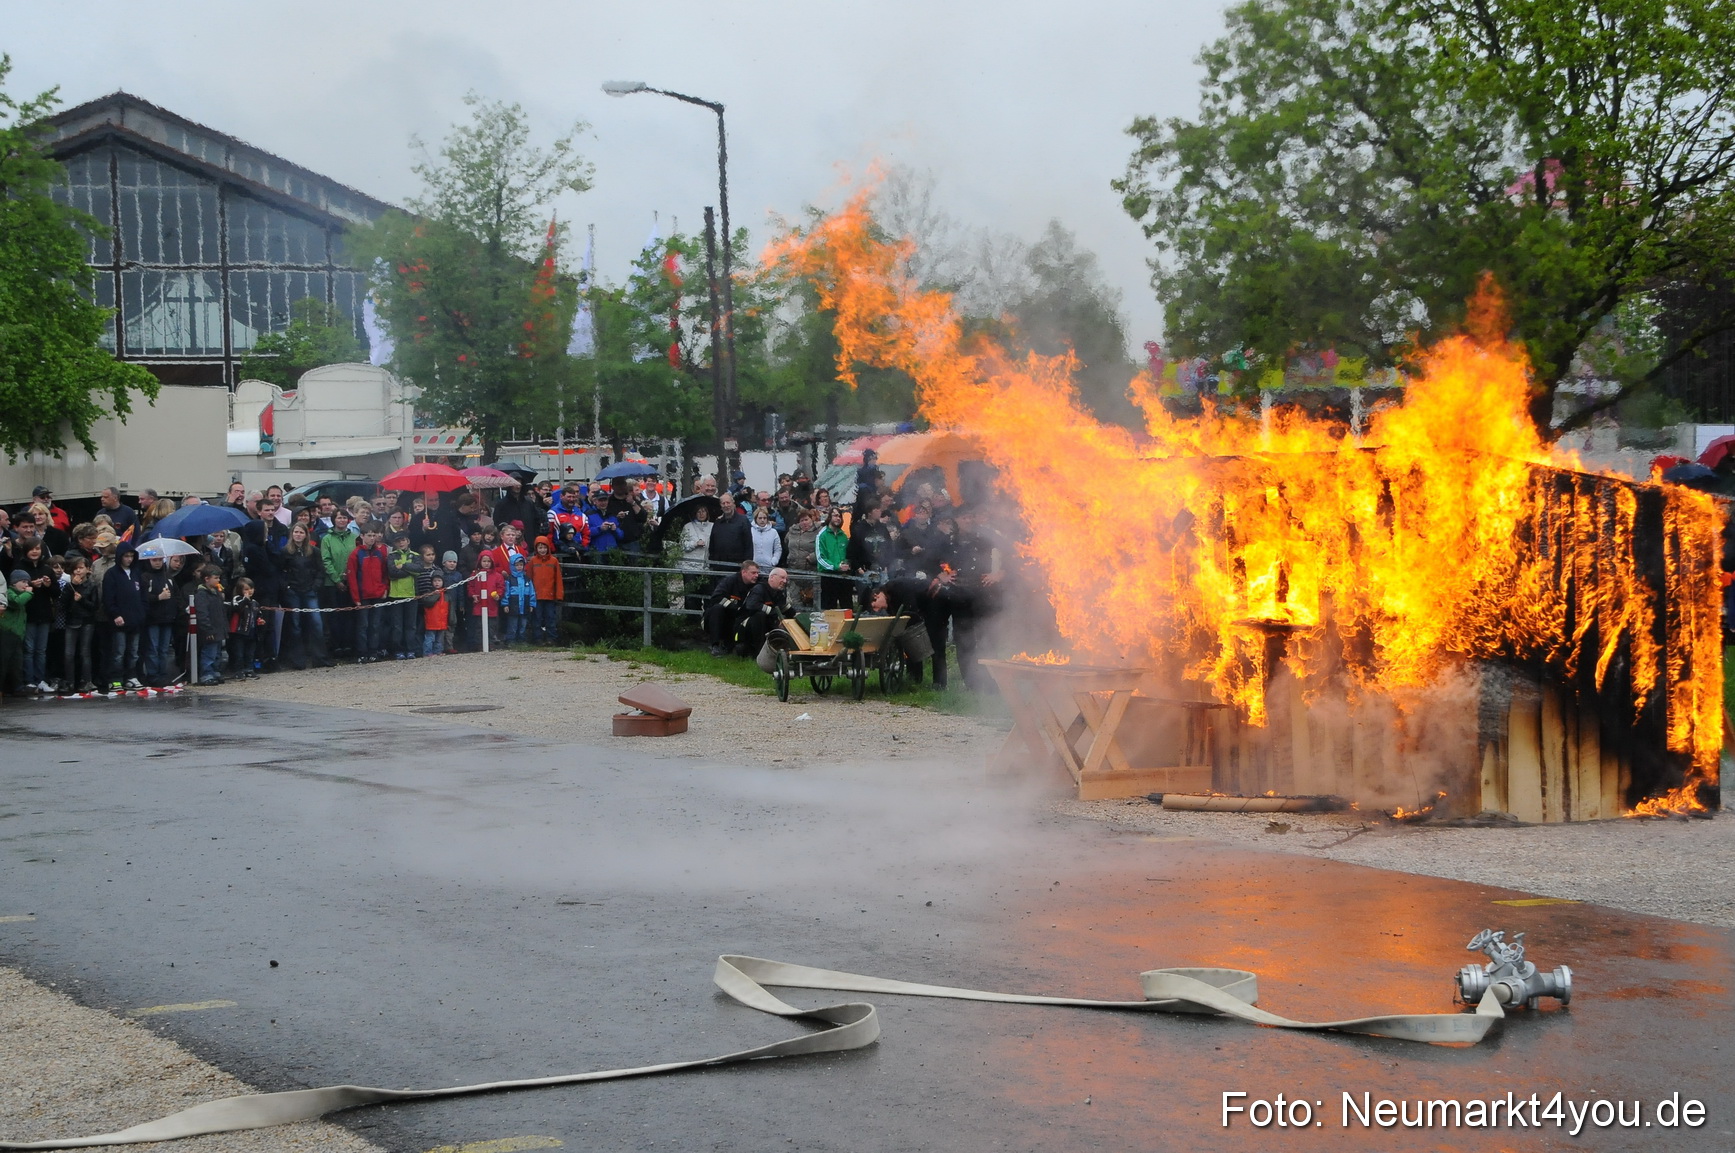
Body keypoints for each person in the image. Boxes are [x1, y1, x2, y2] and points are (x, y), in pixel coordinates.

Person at [279, 524, 332, 669]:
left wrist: (315, 586)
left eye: (301, 532)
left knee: (316, 624)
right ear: (292, 534)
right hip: (293, 592)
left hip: (310, 591)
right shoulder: (285, 551)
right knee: (295, 626)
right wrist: (287, 587)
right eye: (295, 532)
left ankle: (320, 658)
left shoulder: (313, 551)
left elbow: (320, 570)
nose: (298, 535)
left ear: (305, 535)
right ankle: (297, 661)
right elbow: (281, 572)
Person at [101, 543, 145, 690]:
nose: (129, 559)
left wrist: (142, 613)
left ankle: (131, 677)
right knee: (118, 652)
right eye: (126, 556)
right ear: (120, 557)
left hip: (135, 619)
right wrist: (115, 614)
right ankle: (115, 678)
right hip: (119, 620)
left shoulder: (136, 573)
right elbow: (108, 598)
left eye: (131, 556)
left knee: (134, 652)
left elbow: (142, 595)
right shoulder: (111, 574)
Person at [346, 528, 390, 663]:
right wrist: (356, 598)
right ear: (362, 536)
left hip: (377, 594)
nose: (372, 538)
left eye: (374, 535)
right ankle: (362, 652)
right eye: (369, 535)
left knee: (375, 625)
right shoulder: (356, 554)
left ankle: (373, 651)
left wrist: (385, 589)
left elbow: (384, 573)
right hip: (363, 595)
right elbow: (352, 577)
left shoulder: (379, 553)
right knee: (363, 625)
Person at [320, 508, 358, 655]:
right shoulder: (327, 539)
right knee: (335, 617)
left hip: (351, 581)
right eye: (339, 517)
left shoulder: (354, 537)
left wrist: (349, 577)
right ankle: (336, 646)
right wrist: (337, 579)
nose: (341, 520)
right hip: (332, 583)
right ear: (334, 520)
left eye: (344, 518)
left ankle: (348, 644)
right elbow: (326, 560)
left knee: (349, 616)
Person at [59, 556, 99, 693]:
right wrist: (73, 588)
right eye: (75, 568)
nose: (78, 571)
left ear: (87, 570)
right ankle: (69, 681)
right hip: (71, 622)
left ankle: (86, 680)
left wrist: (81, 600)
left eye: (81, 568)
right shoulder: (69, 585)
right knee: (68, 653)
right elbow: (62, 603)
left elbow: (94, 606)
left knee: (84, 652)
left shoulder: (92, 585)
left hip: (86, 622)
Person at [704, 559, 760, 656]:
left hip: (738, 620)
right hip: (720, 617)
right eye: (753, 573)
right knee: (717, 609)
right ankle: (715, 645)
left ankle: (736, 646)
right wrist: (734, 607)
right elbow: (716, 597)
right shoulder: (730, 581)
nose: (756, 576)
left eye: (757, 573)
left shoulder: (757, 585)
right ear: (744, 572)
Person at [139, 555, 180, 687]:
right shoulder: (145, 577)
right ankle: (153, 674)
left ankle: (163, 674)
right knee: (153, 648)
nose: (157, 563)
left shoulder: (167, 576)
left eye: (159, 560)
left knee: (164, 649)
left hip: (167, 618)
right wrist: (158, 597)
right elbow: (143, 597)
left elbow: (176, 595)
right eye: (154, 560)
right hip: (152, 619)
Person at [737, 566, 793, 658]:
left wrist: (797, 616)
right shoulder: (759, 589)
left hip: (768, 624)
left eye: (786, 579)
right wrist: (774, 613)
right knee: (760, 616)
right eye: (782, 578)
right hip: (747, 626)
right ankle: (758, 654)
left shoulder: (779, 593)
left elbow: (786, 609)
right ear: (772, 577)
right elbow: (752, 605)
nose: (785, 581)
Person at [386, 531, 420, 659]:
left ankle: (410, 649)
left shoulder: (415, 555)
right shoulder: (392, 556)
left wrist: (404, 566)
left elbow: (419, 570)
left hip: (412, 594)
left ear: (408, 541)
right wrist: (409, 571)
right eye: (398, 541)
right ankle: (397, 650)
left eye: (403, 540)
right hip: (396, 594)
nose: (401, 543)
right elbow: (392, 572)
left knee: (410, 625)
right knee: (397, 626)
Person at [193, 565, 228, 685]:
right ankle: (207, 674)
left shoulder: (216, 593)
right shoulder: (202, 594)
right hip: (210, 629)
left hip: (218, 628)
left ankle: (215, 672)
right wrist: (208, 630)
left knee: (217, 653)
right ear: (207, 579)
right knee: (209, 653)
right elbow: (202, 613)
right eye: (216, 578)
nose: (218, 580)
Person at [1, 569, 33, 696]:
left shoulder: (21, 593)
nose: (26, 585)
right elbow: (16, 602)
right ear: (14, 583)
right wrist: (29, 594)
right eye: (23, 581)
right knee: (4, 661)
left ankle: (17, 687)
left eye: (28, 582)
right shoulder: (9, 592)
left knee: (17, 662)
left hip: (18, 634)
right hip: (6, 632)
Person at [526, 538, 564, 644]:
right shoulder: (533, 561)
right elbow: (529, 578)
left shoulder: (553, 561)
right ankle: (537, 638)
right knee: (536, 618)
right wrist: (528, 595)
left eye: (544, 547)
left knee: (550, 618)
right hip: (536, 596)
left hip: (550, 595)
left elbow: (558, 579)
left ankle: (551, 638)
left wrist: (559, 595)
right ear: (536, 549)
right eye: (540, 547)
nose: (542, 550)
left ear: (548, 548)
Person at [816, 507, 854, 609]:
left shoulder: (843, 536)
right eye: (835, 516)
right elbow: (820, 558)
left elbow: (848, 554)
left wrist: (846, 564)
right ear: (829, 517)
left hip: (844, 577)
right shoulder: (822, 535)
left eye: (840, 516)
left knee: (847, 607)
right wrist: (836, 566)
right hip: (829, 576)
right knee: (829, 609)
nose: (838, 518)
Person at [782, 509, 819, 607]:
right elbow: (786, 543)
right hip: (794, 571)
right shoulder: (792, 530)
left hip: (811, 572)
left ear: (811, 519)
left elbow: (824, 549)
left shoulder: (818, 530)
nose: (804, 522)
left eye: (806, 519)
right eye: (801, 520)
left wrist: (813, 557)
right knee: (794, 602)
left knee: (812, 602)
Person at [707, 493, 752, 574]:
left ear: (733, 503)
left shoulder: (743, 521)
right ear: (720, 506)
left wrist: (747, 565)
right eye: (723, 503)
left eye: (728, 502)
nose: (726, 505)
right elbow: (712, 545)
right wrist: (712, 563)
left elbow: (748, 545)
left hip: (738, 567)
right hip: (719, 567)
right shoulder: (717, 522)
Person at [228, 577, 263, 679]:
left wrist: (260, 620)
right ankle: (238, 670)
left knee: (250, 653)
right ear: (240, 590)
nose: (249, 591)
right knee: (239, 653)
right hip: (239, 632)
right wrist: (245, 600)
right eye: (246, 589)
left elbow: (258, 613)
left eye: (251, 588)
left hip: (251, 632)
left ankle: (249, 669)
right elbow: (236, 608)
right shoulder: (237, 599)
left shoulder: (255, 602)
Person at [470, 551, 505, 644]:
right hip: (479, 605)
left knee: (491, 626)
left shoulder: (497, 576)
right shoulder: (475, 574)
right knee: (479, 627)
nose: (486, 564)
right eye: (484, 561)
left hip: (492, 606)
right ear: (480, 562)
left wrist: (498, 595)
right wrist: (473, 595)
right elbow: (470, 586)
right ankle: (479, 645)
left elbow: (501, 587)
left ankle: (491, 644)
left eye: (488, 561)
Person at [502, 551, 536, 644]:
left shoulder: (527, 579)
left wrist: (532, 604)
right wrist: (505, 604)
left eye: (521, 565)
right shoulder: (509, 580)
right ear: (512, 566)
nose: (519, 567)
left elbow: (531, 592)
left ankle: (522, 639)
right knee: (512, 625)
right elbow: (506, 593)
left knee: (523, 625)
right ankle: (511, 640)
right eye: (517, 565)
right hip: (513, 606)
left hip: (524, 606)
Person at [421, 573, 449, 656]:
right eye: (435, 581)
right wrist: (436, 595)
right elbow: (428, 603)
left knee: (440, 639)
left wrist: (451, 619)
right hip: (431, 620)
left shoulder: (446, 594)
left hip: (442, 620)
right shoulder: (429, 593)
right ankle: (427, 652)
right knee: (430, 638)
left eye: (439, 581)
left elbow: (450, 608)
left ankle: (438, 651)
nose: (437, 583)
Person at [750, 506, 784, 572]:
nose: (762, 520)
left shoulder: (773, 532)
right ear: (755, 519)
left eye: (764, 518)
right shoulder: (750, 531)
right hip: (753, 567)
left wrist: (774, 561)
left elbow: (778, 549)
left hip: (769, 567)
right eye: (760, 518)